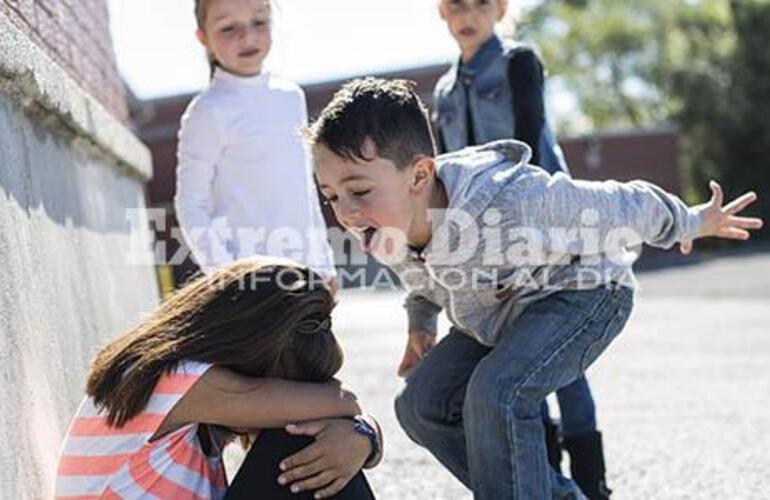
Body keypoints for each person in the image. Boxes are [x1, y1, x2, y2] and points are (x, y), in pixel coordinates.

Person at [307, 78, 762, 499]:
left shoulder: (511, 201)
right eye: (330, 196)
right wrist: (420, 324)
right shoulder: (387, 228)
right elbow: (421, 281)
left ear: (420, 177)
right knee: (420, 404)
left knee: (497, 391)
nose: (344, 213)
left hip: (584, 293)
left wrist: (691, 221)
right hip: (499, 312)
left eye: (359, 191)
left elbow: (621, 204)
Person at [431, 0, 606, 496]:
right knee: (519, 364)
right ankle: (547, 481)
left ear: (500, 8)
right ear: (442, 12)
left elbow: (530, 143)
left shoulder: (517, 62)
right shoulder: (443, 91)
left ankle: (593, 487)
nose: (467, 14)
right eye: (454, 4)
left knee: (563, 363)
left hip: (543, 232)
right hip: (484, 251)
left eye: (479, 3)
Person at [55, 257, 381, 499]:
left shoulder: (188, 393)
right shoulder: (178, 378)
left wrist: (363, 437)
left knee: (316, 443)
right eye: (282, 385)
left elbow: (341, 410)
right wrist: (359, 432)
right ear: (248, 352)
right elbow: (344, 402)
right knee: (299, 437)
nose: (283, 397)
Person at [175, 0, 337, 292]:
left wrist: (324, 263)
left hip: (306, 273)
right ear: (203, 38)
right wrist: (226, 276)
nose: (247, 37)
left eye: (259, 22)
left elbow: (304, 188)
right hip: (250, 283)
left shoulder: (291, 97)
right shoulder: (207, 111)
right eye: (228, 28)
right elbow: (191, 205)